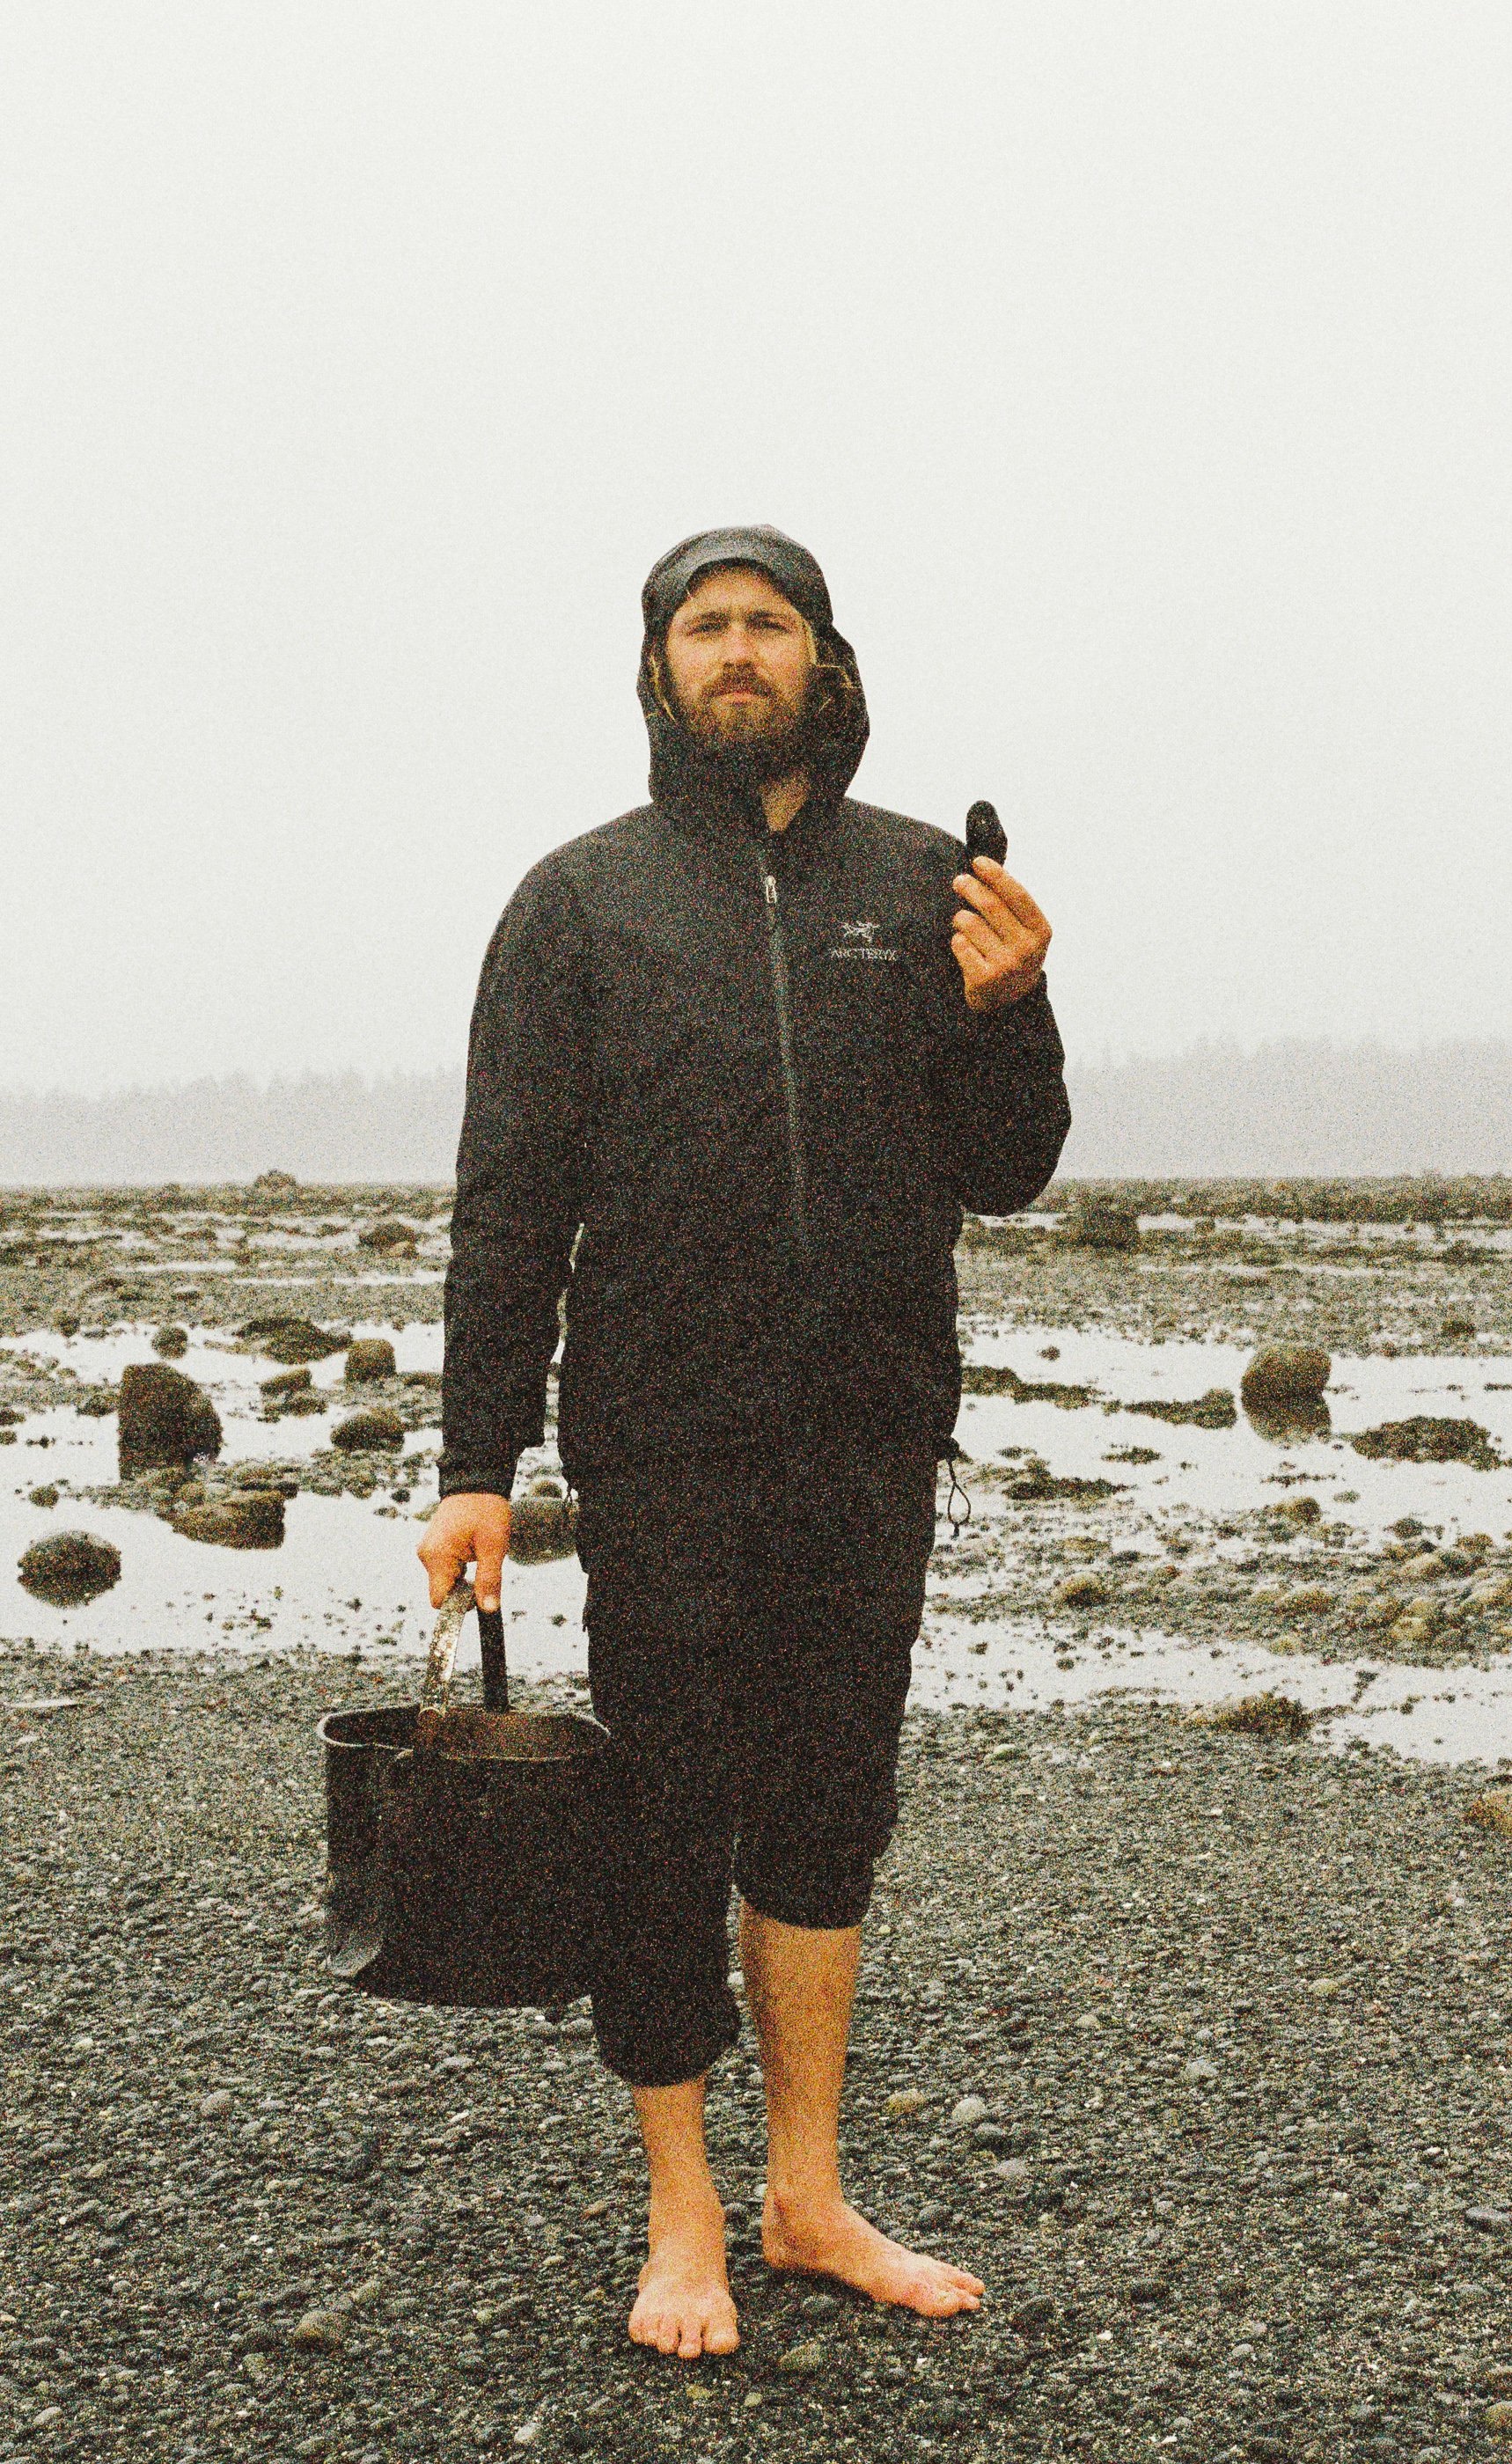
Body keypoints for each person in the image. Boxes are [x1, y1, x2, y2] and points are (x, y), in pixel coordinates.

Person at [420, 524, 1070, 2362]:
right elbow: (507, 1200)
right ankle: (683, 2211)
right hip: (665, 1441)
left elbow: (1006, 1165)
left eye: (764, 624)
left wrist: (1013, 1011)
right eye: (699, 627)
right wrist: (478, 1456)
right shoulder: (578, 903)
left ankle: (808, 2191)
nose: (732, 653)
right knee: (660, 1813)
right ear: (657, 672)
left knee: (827, 1810)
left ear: (823, 660)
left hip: (868, 1433)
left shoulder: (928, 879)